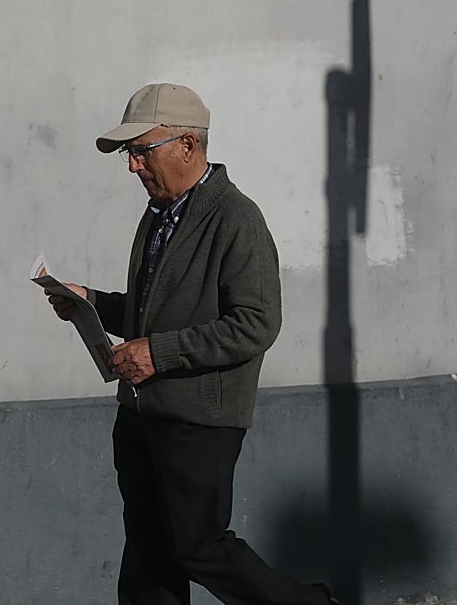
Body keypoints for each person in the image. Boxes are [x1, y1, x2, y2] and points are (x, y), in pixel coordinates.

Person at [48, 83, 334, 605]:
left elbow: (256, 323)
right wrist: (89, 302)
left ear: (187, 145)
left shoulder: (235, 218)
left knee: (199, 547)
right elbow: (149, 311)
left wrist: (158, 352)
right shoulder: (159, 214)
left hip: (198, 420)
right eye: (129, 155)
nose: (133, 167)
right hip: (140, 413)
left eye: (141, 151)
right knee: (149, 555)